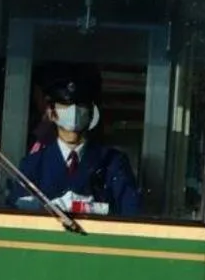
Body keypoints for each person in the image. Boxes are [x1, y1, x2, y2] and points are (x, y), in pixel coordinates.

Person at [9, 76, 141, 214]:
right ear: (51, 112)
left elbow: (131, 213)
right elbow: (16, 214)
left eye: (81, 105)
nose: (73, 111)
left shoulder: (113, 162)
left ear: (92, 113)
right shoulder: (32, 165)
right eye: (65, 105)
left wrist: (94, 208)